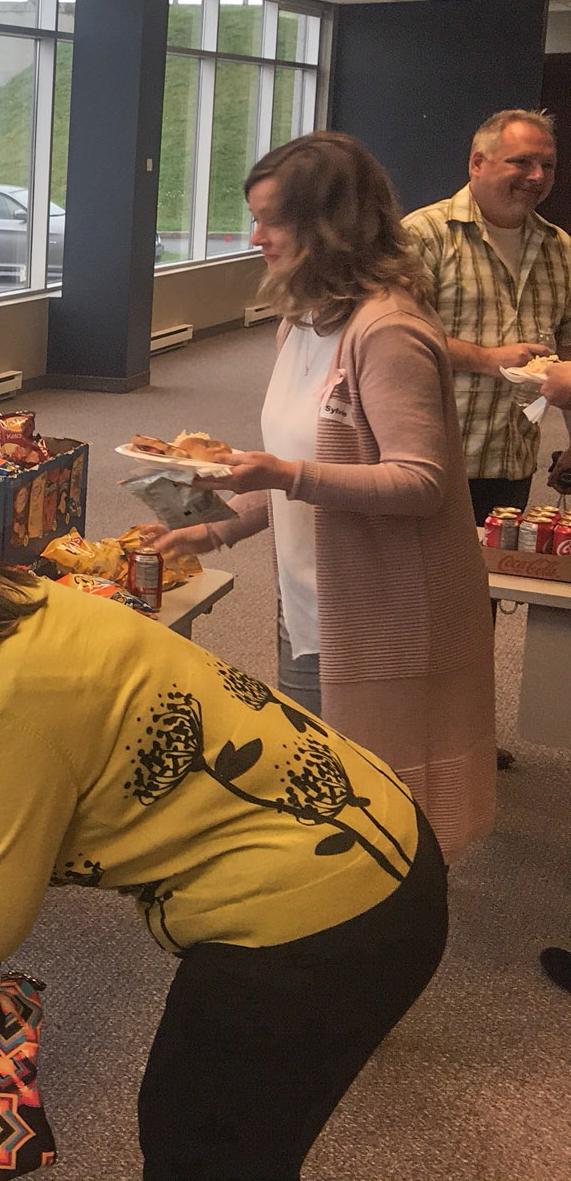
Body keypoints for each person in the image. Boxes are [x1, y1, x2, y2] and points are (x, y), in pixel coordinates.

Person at [0, 492, 445, 1181]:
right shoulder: (31, 605)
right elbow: (15, 770)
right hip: (381, 842)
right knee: (234, 1141)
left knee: (201, 1153)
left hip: (318, 925)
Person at [146, 131, 495, 860]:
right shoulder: (300, 322)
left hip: (386, 609)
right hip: (313, 599)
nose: (255, 237)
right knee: (329, 793)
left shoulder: (388, 330)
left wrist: (282, 474)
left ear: (328, 226)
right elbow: (293, 469)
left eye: (272, 220)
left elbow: (420, 482)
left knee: (383, 813)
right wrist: (209, 529)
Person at [400, 109, 571, 525]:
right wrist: (486, 359)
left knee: (493, 567)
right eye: (521, 161)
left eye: (547, 165)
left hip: (512, 460)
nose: (536, 176)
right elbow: (391, 341)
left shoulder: (559, 248)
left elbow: (568, 354)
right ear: (478, 163)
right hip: (430, 459)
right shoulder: (423, 235)